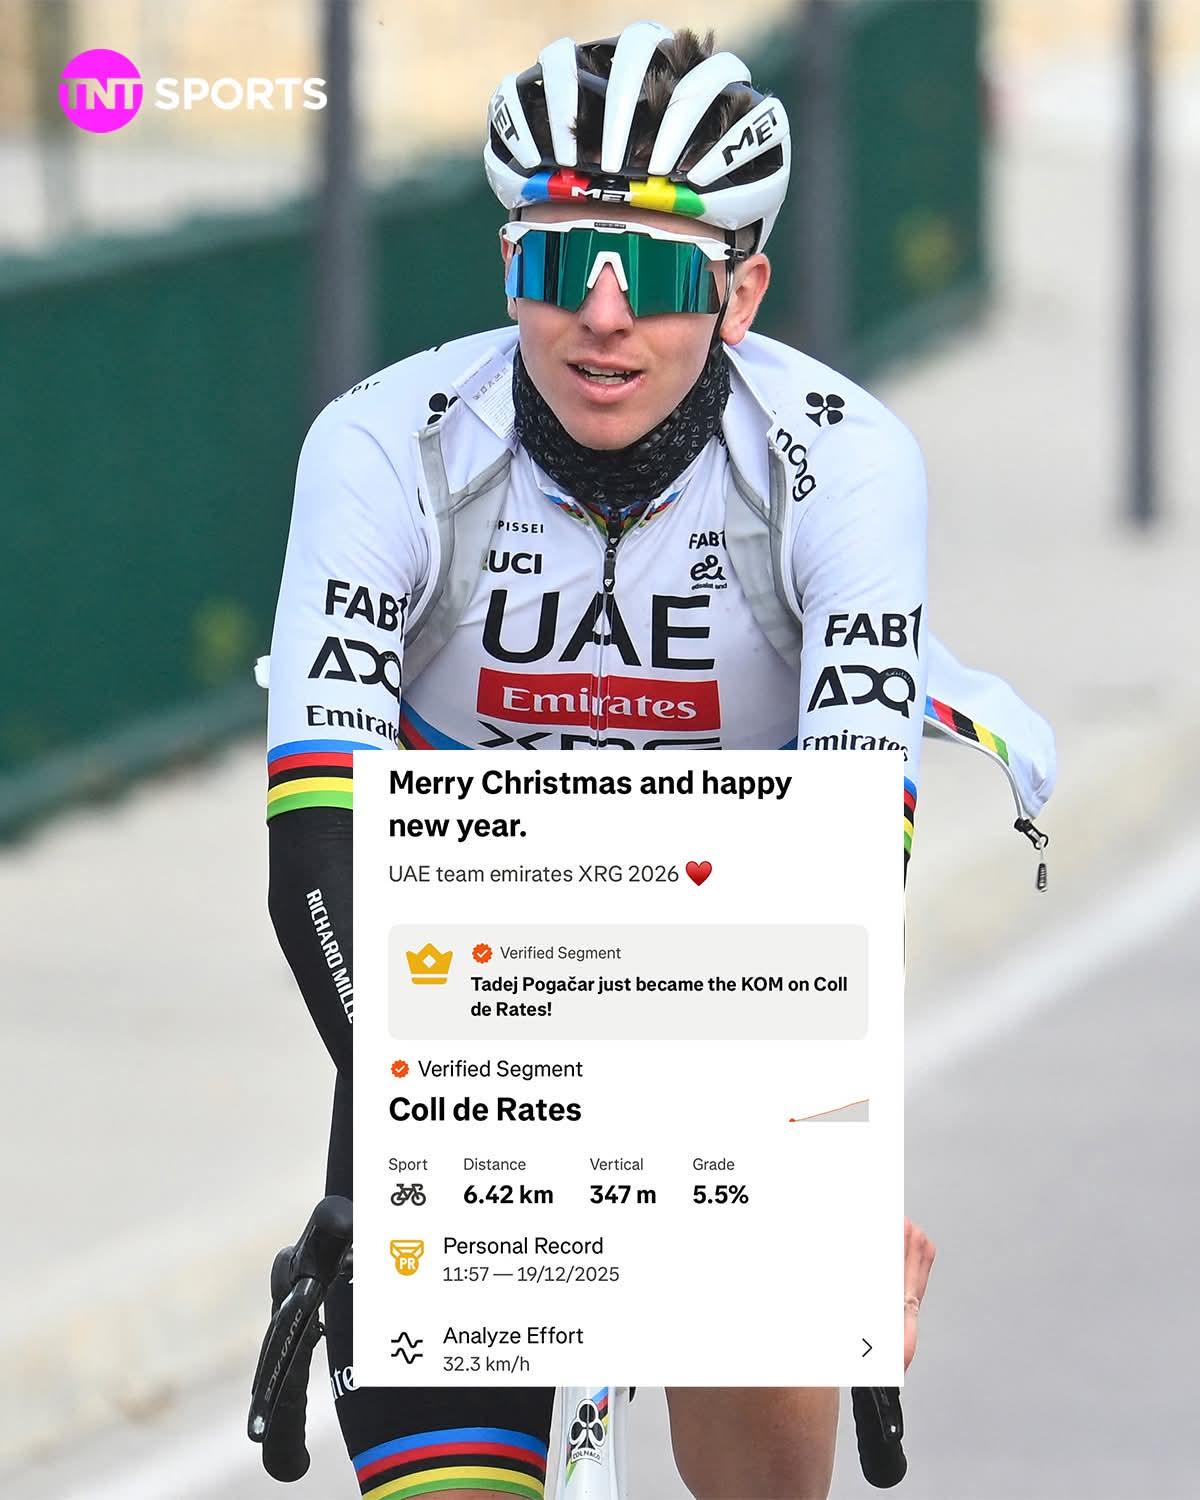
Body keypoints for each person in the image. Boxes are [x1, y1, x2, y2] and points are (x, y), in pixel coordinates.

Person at [263, 21, 1049, 1499]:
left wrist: (819, 1181)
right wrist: (431, 1127)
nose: (603, 317)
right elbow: (314, 859)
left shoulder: (841, 463)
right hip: (461, 981)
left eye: (663, 275)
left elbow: (839, 881)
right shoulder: (382, 450)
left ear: (743, 291)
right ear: (511, 267)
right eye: (563, 261)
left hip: (733, 959)